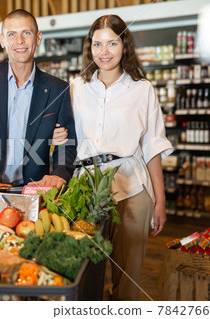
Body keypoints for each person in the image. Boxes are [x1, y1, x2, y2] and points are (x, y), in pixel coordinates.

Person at [52, 15, 173, 301]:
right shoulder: (75, 88)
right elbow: (65, 138)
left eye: (112, 43)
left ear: (124, 45)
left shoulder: (142, 90)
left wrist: (160, 201)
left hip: (131, 187)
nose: (104, 51)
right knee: (85, 271)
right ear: (89, 47)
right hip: (85, 188)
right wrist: (57, 137)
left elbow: (152, 147)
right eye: (97, 44)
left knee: (128, 278)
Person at [0, 9, 77, 206]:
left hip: (33, 192)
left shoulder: (58, 89)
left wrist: (60, 173)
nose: (19, 40)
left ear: (38, 38)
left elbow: (67, 143)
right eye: (12, 34)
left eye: (26, 33)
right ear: (2, 40)